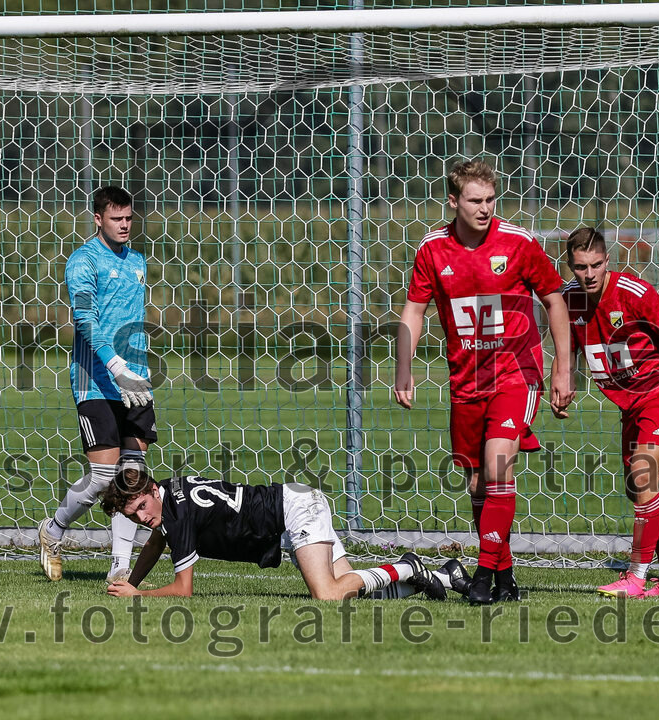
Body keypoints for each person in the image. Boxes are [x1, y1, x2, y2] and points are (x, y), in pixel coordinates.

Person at [394, 159, 574, 605]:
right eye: (475, 200)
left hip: (517, 373)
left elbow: (554, 300)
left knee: (497, 467)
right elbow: (414, 311)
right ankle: (506, 574)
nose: (485, 208)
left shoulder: (518, 243)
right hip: (466, 380)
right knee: (478, 484)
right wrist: (403, 368)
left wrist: (562, 368)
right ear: (453, 201)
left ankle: (481, 576)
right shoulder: (433, 250)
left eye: (491, 199)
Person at [553, 227, 659, 598]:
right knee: (642, 490)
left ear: (607, 261)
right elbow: (565, 346)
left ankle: (635, 577)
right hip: (629, 407)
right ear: (570, 265)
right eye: (581, 267)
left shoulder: (633, 293)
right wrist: (561, 379)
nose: (589, 274)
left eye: (596, 265)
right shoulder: (568, 300)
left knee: (642, 476)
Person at [99, 461, 471, 601]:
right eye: (134, 518)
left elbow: (184, 590)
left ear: (149, 490)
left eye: (142, 509)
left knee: (326, 596)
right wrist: (129, 578)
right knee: (351, 588)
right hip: (293, 502)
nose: (143, 519)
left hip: (291, 511)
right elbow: (156, 542)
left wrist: (138, 594)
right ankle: (444, 575)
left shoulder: (177, 514)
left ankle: (408, 567)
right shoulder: (169, 495)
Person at [38, 186, 155, 583]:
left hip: (134, 382)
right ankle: (53, 531)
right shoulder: (83, 261)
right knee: (104, 478)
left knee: (134, 477)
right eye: (116, 219)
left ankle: (119, 566)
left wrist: (135, 369)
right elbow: (86, 322)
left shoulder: (137, 260)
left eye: (129, 218)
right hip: (96, 382)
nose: (124, 225)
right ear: (98, 219)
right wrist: (116, 365)